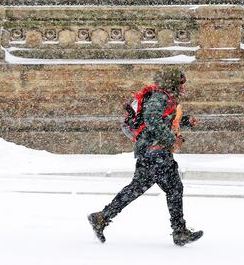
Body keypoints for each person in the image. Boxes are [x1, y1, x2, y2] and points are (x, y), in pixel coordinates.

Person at [87, 68, 203, 246]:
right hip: (156, 152)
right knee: (174, 188)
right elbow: (152, 120)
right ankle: (179, 232)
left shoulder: (162, 97)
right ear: (173, 83)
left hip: (150, 152)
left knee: (137, 188)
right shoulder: (160, 97)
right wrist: (171, 140)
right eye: (181, 83)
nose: (183, 87)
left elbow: (162, 121)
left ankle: (102, 217)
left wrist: (186, 121)